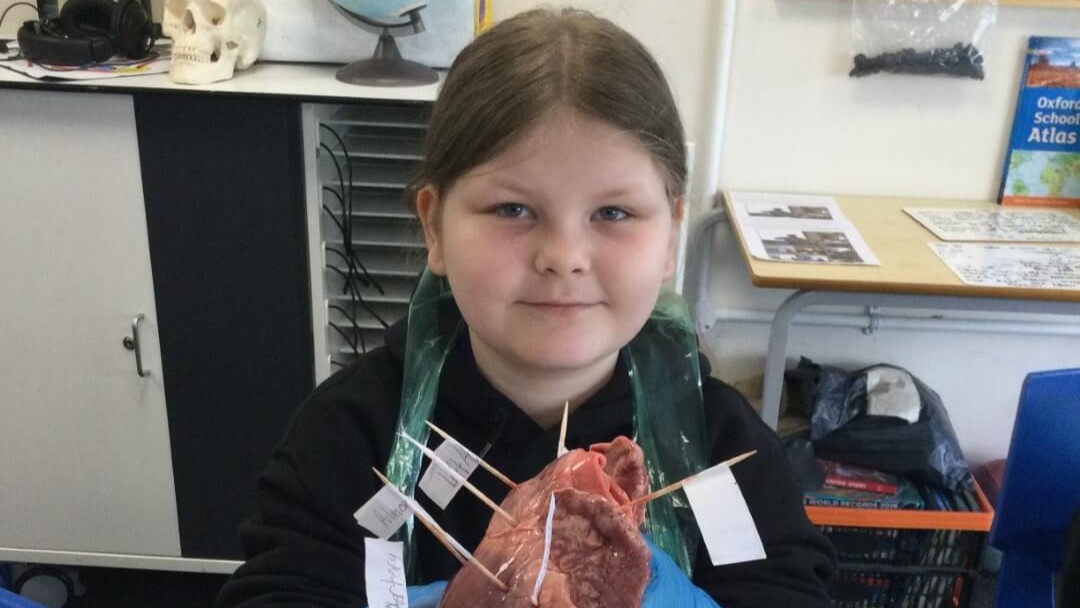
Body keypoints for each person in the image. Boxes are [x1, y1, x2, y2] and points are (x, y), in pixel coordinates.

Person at [214, 8, 835, 608]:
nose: (562, 256)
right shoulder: (354, 437)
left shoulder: (720, 452)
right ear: (434, 227)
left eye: (613, 212)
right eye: (512, 209)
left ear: (670, 235)